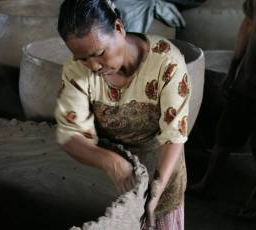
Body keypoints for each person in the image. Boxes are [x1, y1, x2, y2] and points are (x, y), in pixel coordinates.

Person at [55, 0, 190, 229]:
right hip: (115, 181)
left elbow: (174, 134)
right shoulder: (76, 71)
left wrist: (156, 188)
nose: (94, 66)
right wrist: (111, 162)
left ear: (118, 28)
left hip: (162, 168)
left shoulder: (166, 61)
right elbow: (70, 135)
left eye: (99, 54)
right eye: (83, 59)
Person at [188, 0, 256, 220]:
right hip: (248, 77)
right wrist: (234, 66)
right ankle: (207, 183)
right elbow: (248, 26)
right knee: (225, 132)